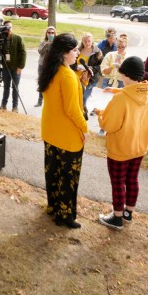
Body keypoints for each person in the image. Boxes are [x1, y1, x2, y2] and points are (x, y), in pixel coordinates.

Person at [96, 57, 148, 230]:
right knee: (132, 179)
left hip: (121, 147)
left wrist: (100, 113)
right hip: (139, 146)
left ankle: (117, 217)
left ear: (126, 75)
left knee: (118, 182)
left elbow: (109, 125)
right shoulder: (147, 91)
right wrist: (115, 91)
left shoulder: (121, 99)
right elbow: (130, 93)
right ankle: (128, 212)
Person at [38, 34, 88, 229]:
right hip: (67, 136)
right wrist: (85, 128)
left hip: (51, 132)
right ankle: (65, 216)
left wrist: (80, 83)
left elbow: (63, 96)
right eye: (75, 50)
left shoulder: (53, 70)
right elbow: (72, 109)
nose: (77, 53)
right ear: (65, 53)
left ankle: (54, 207)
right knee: (68, 178)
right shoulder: (66, 75)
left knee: (53, 173)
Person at [0, 20, 26, 112]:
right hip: (6, 67)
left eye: (10, 27)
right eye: (6, 28)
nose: (8, 29)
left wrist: (20, 67)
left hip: (16, 67)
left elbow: (23, 53)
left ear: (12, 28)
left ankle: (15, 107)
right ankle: (3, 105)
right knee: (6, 87)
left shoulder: (18, 38)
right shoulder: (2, 39)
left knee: (15, 87)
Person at [77, 32, 103, 108]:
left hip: (91, 79)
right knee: (78, 97)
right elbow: (73, 63)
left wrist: (89, 69)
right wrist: (77, 67)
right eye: (85, 41)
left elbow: (101, 66)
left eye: (89, 41)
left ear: (92, 41)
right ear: (82, 41)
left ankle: (83, 113)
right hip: (78, 78)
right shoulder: (78, 50)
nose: (87, 43)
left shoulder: (97, 52)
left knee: (84, 97)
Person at [35, 26, 56, 107]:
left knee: (51, 83)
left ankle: (49, 101)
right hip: (42, 65)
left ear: (55, 34)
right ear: (46, 34)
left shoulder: (56, 43)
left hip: (51, 65)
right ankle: (40, 100)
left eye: (52, 33)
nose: (50, 34)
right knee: (41, 82)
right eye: (49, 32)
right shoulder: (43, 42)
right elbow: (40, 52)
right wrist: (46, 44)